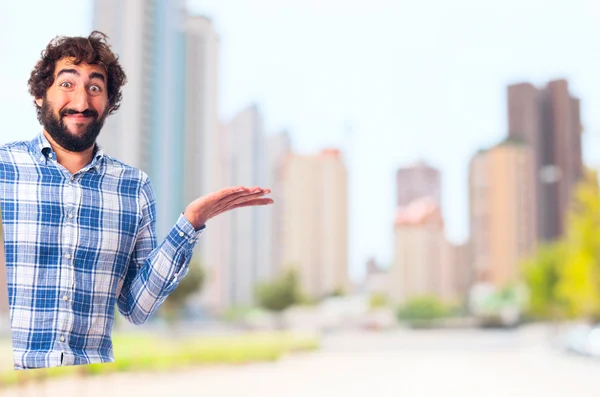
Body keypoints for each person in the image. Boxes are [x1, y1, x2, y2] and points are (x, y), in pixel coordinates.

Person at [0, 31, 273, 370]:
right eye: (67, 84)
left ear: (108, 104)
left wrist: (189, 224)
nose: (82, 101)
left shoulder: (133, 187)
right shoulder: (4, 170)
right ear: (40, 95)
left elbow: (137, 307)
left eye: (95, 88)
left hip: (91, 379)